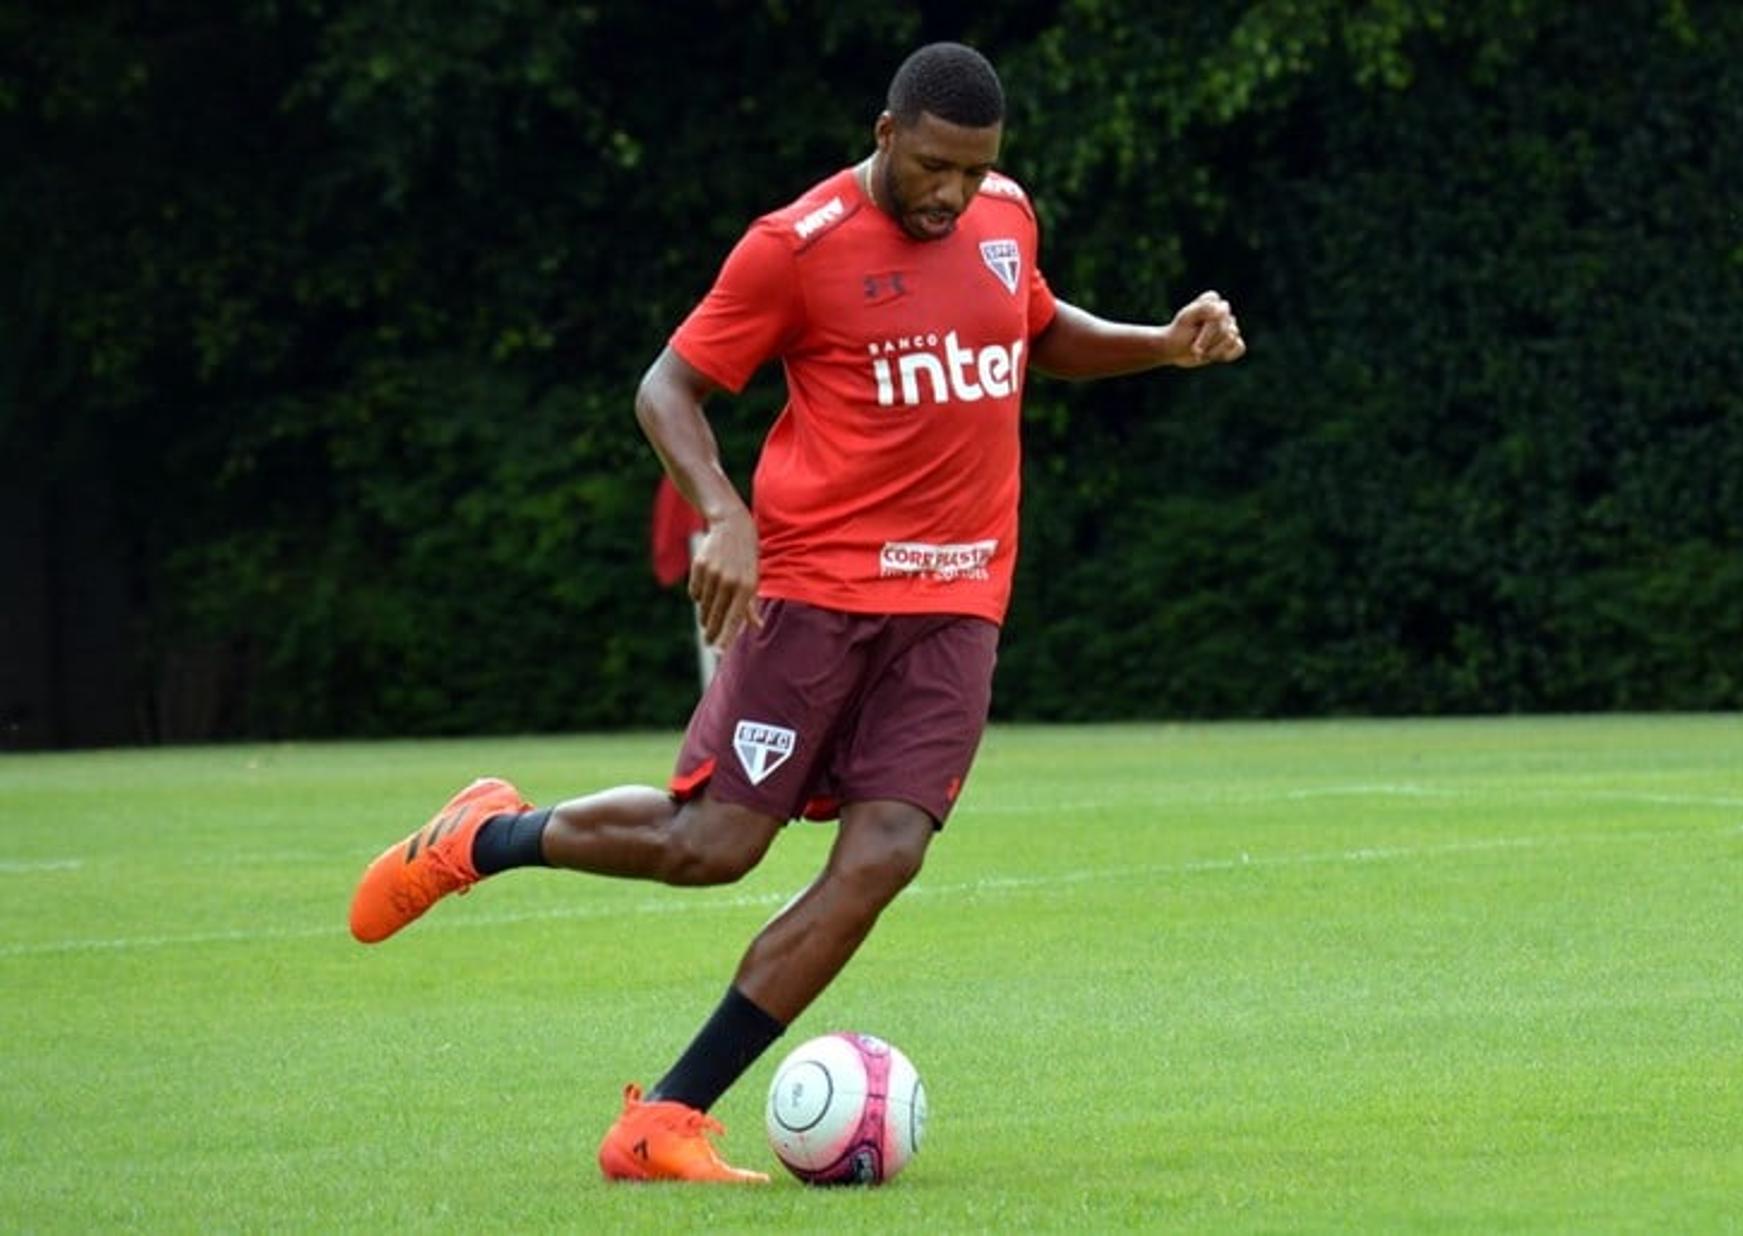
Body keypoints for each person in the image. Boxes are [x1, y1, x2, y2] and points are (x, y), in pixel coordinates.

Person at [347, 41, 1246, 1184]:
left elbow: (1033, 328)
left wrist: (1159, 345)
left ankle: (661, 1118)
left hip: (961, 602)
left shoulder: (1005, 216)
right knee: (712, 848)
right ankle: (487, 834)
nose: (951, 195)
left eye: (973, 174)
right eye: (932, 167)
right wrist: (720, 514)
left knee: (885, 856)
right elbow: (665, 387)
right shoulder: (797, 246)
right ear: (884, 135)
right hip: (821, 598)